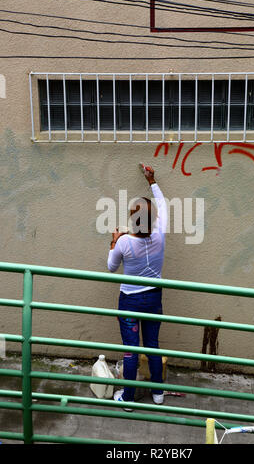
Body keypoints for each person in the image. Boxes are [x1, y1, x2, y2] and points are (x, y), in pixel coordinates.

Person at [107, 165, 167, 410]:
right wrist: (152, 180)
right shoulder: (160, 234)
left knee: (130, 350)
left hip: (130, 301)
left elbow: (111, 268)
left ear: (133, 220)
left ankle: (128, 398)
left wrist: (113, 240)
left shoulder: (123, 243)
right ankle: (158, 393)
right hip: (153, 298)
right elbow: (162, 205)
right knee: (152, 345)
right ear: (153, 221)